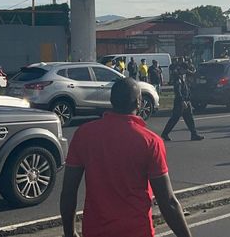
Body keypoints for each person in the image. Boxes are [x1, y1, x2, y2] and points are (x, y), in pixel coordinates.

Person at [60, 78, 194, 237]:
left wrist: (69, 233)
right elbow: (168, 202)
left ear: (111, 101)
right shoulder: (150, 142)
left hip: (95, 230)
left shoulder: (84, 134)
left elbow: (68, 192)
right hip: (137, 230)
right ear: (139, 102)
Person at [161, 58, 204, 141]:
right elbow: (178, 90)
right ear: (182, 69)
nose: (186, 72)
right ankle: (165, 133)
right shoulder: (178, 77)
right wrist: (182, 101)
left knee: (189, 118)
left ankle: (194, 134)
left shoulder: (183, 75)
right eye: (185, 70)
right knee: (174, 118)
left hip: (186, 101)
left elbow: (192, 74)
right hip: (180, 102)